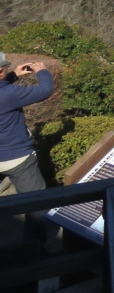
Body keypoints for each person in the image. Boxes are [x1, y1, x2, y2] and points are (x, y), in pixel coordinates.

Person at [0, 52, 54, 243]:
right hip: (17, 158)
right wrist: (43, 71)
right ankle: (34, 254)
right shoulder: (9, 95)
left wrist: (13, 74)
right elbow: (45, 90)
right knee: (36, 204)